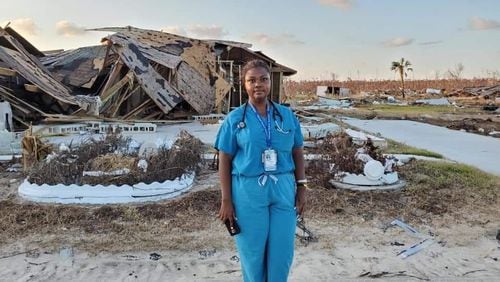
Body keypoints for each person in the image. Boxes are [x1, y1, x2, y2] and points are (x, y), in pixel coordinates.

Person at [215, 59, 307, 282]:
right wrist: (226, 200)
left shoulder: (286, 116)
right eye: (252, 80)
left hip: (283, 189)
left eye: (263, 79)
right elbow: (225, 159)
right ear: (243, 84)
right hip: (248, 191)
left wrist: (302, 186)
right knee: (253, 252)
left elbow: (297, 150)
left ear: (270, 83)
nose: (258, 85)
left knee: (282, 251)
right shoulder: (235, 119)